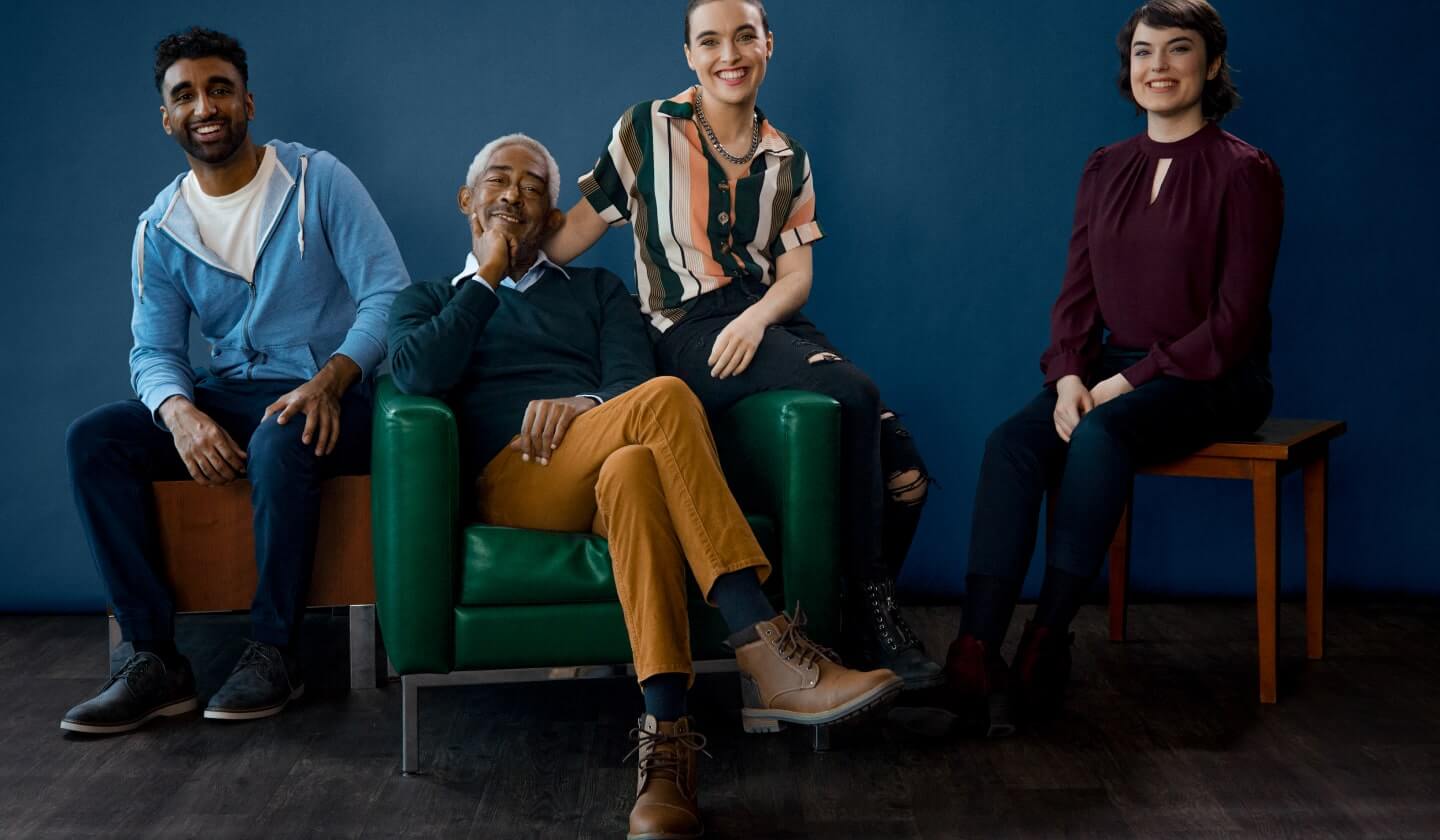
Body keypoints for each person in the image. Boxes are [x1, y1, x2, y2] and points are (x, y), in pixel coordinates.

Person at [387, 133, 901, 839]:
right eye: (499, 182)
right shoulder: (427, 299)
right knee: (662, 402)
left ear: (552, 212)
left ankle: (666, 749)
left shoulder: (597, 291)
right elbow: (417, 375)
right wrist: (488, 278)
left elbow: (630, 379)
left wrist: (584, 406)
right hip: (516, 480)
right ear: (465, 201)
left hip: (603, 462)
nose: (513, 194)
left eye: (534, 186)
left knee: (635, 464)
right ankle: (762, 638)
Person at [544, 0, 940, 690]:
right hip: (682, 329)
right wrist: (500, 252)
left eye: (744, 37)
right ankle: (878, 624)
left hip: (761, 320)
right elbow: (577, 228)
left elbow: (796, 280)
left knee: (905, 472)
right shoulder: (646, 129)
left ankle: (850, 617)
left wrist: (756, 321)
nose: (729, 54)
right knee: (857, 391)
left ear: (767, 45)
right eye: (710, 41)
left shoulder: (789, 156)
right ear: (691, 56)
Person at [945, 0, 1283, 736]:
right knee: (1012, 442)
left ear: (1212, 65)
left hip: (1214, 376)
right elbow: (1076, 293)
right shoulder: (1105, 167)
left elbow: (1234, 323)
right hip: (1108, 371)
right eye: (1143, 52)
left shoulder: (1246, 172)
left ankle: (1048, 640)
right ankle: (974, 649)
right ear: (1127, 68)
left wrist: (1124, 383)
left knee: (1102, 436)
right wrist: (1068, 375)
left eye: (1178, 50)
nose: (1157, 67)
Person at [62, 28, 409, 733]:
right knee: (95, 439)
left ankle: (275, 652)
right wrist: (179, 412)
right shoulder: (160, 227)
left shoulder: (318, 180)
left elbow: (391, 298)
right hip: (232, 394)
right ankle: (155, 661)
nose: (204, 106)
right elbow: (152, 350)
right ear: (167, 117)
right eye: (184, 95)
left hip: (337, 392)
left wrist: (334, 379)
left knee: (284, 432)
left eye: (219, 88)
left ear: (248, 101)